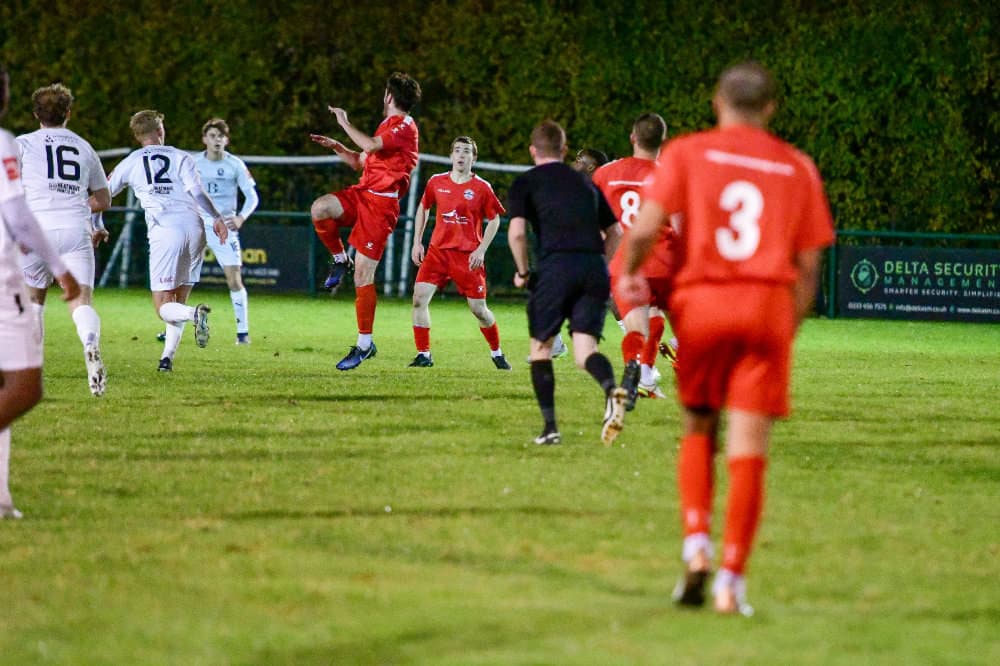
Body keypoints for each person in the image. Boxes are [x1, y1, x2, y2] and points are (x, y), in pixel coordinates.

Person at [615, 61, 835, 615]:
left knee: (698, 427)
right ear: (771, 108)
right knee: (748, 448)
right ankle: (731, 582)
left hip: (705, 306)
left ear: (717, 102)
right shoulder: (798, 166)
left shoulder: (688, 152)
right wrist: (785, 328)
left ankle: (696, 546)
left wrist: (632, 271)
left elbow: (643, 229)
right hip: (765, 307)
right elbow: (810, 270)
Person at [507, 120, 627, 446]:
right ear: (563, 150)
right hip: (593, 268)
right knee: (585, 351)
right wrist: (599, 264)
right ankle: (610, 389)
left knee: (541, 348)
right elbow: (616, 232)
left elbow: (517, 234)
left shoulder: (526, 182)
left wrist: (523, 272)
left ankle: (550, 428)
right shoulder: (586, 183)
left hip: (556, 267)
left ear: (533, 151)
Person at [0, 65, 81, 518]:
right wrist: (60, 269)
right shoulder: (3, 142)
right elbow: (16, 215)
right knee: (24, 387)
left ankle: (1, 498)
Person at [309, 72, 421, 371]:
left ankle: (364, 344)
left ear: (389, 96)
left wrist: (343, 122)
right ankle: (339, 259)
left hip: (381, 206)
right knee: (320, 208)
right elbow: (360, 160)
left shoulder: (404, 126)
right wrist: (337, 146)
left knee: (363, 274)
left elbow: (370, 147)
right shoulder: (388, 126)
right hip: (362, 195)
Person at [107, 110, 230, 372]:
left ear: (138, 136)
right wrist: (217, 218)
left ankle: (194, 315)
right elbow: (197, 192)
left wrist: (93, 221)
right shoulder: (181, 157)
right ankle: (166, 359)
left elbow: (104, 194)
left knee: (163, 306)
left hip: (166, 231)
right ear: (160, 130)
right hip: (195, 228)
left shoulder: (132, 161)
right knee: (177, 301)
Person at [16, 83, 110, 396]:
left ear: (35, 114)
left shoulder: (22, 144)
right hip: (74, 230)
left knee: (34, 302)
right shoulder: (84, 147)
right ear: (69, 113)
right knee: (81, 301)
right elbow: (103, 199)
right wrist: (81, 208)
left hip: (35, 231)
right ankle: (90, 343)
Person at [409, 136, 510, 369]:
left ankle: (497, 353)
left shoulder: (481, 187)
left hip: (467, 256)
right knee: (418, 299)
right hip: (437, 252)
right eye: (457, 150)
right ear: (451, 155)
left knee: (479, 310)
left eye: (466, 151)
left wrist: (481, 250)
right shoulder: (436, 182)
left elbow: (494, 220)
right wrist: (417, 242)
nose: (461, 155)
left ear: (474, 158)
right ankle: (424, 355)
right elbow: (423, 208)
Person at [593, 113, 672, 408]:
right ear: (663, 140)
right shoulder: (670, 174)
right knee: (660, 314)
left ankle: (635, 369)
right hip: (661, 260)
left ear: (632, 138)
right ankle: (648, 374)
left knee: (636, 327)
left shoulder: (606, 173)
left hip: (623, 262)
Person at [195, 117, 259, 345]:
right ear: (204, 139)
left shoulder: (235, 164)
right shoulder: (193, 163)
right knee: (181, 278)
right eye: (212, 136)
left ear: (226, 140)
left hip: (223, 228)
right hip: (196, 225)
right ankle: (172, 327)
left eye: (221, 136)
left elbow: (252, 197)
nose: (217, 140)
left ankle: (242, 334)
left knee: (234, 279)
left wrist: (241, 217)